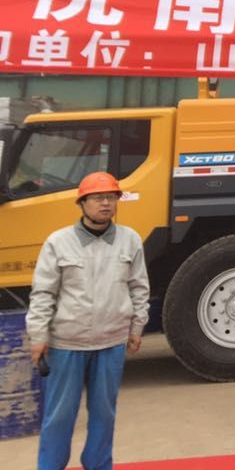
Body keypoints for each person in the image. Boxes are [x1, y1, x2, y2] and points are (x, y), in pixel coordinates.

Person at [27, 171, 149, 470]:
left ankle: (98, 465)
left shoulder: (130, 240)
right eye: (97, 198)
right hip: (67, 343)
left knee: (104, 414)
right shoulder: (58, 242)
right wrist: (38, 336)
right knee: (60, 415)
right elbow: (43, 293)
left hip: (111, 342)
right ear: (82, 203)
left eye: (111, 197)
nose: (105, 203)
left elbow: (139, 287)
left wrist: (136, 327)